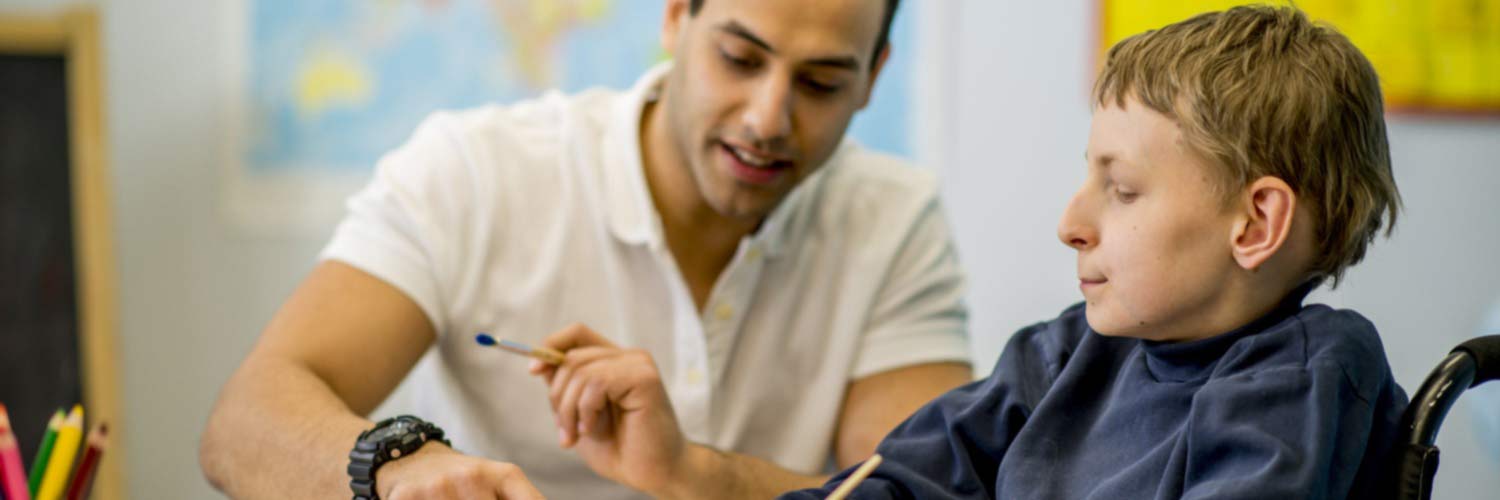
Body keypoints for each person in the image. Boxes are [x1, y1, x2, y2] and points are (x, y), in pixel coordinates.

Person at [199, 0, 975, 498]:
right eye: (739, 59)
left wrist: (691, 471)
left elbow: (915, 492)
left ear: (873, 77)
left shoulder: (893, 220)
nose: (769, 117)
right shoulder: (472, 171)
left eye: (821, 84)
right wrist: (399, 470)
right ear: (675, 19)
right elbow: (243, 422)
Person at [782, 5, 1409, 499]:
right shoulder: (1065, 353)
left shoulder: (1304, 380)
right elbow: (910, 477)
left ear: (1254, 224)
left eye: (1124, 190)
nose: (1070, 224)